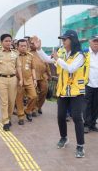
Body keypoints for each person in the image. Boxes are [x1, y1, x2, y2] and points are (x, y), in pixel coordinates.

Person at [34, 30, 86, 158]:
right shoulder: (62, 52)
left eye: (65, 39)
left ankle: (80, 146)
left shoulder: (80, 55)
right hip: (63, 91)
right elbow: (47, 59)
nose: (63, 42)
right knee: (61, 116)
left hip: (76, 92)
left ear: (72, 40)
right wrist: (39, 49)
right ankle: (64, 138)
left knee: (77, 117)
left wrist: (58, 58)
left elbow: (71, 68)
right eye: (62, 39)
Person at [0, 34, 23, 131]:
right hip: (1, 78)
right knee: (4, 101)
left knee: (11, 101)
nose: (8, 43)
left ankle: (8, 117)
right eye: (6, 41)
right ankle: (5, 121)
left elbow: (18, 67)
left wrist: (21, 79)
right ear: (1, 42)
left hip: (13, 79)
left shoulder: (15, 53)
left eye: (10, 41)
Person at [15, 39, 37, 125]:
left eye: (25, 46)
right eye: (21, 46)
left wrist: (34, 79)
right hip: (18, 81)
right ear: (17, 46)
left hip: (29, 80)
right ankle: (21, 117)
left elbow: (33, 68)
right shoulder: (14, 55)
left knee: (34, 96)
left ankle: (27, 110)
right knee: (19, 99)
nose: (23, 47)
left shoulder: (30, 56)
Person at [29, 36, 51, 116]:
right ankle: (33, 108)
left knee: (44, 91)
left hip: (43, 76)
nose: (32, 44)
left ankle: (39, 106)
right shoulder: (28, 52)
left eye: (34, 43)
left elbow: (47, 62)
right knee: (33, 94)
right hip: (32, 77)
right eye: (31, 43)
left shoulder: (40, 52)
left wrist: (49, 74)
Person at [83, 35, 98, 133]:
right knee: (87, 105)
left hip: (97, 84)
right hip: (87, 84)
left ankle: (93, 124)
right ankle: (86, 124)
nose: (96, 44)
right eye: (94, 42)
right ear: (90, 42)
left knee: (96, 105)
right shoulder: (85, 53)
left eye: (97, 42)